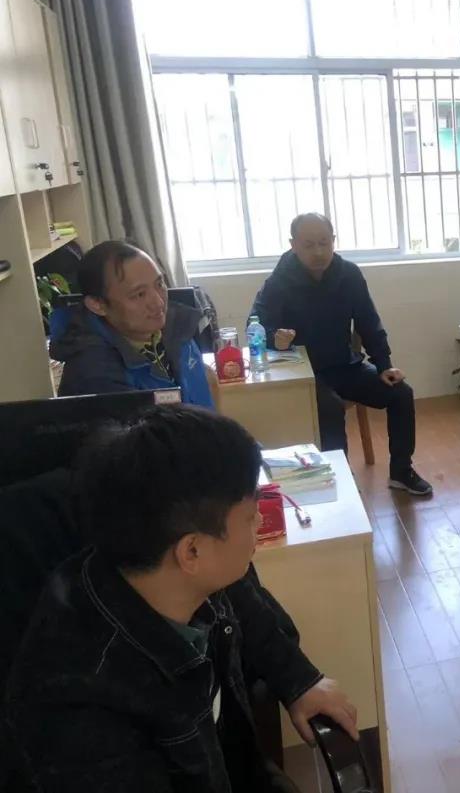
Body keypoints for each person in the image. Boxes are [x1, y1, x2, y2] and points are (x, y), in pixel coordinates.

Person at [3, 405, 358, 792]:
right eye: (250, 515)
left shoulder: (174, 574)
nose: (260, 522)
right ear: (192, 551)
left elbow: (245, 603)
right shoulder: (83, 711)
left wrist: (299, 679)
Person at [251, 212, 431, 496]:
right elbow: (256, 326)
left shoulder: (349, 274)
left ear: (333, 240)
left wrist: (384, 365)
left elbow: (369, 322)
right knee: (330, 408)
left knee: (401, 393)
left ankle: (401, 471)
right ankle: (340, 478)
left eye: (324, 242)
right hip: (305, 372)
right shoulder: (278, 281)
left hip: (345, 365)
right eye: (309, 245)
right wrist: (275, 337)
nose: (318, 252)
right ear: (293, 245)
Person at [50, 241, 213, 407]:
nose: (158, 302)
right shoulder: (96, 377)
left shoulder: (175, 326)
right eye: (139, 294)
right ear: (98, 305)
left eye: (159, 284)